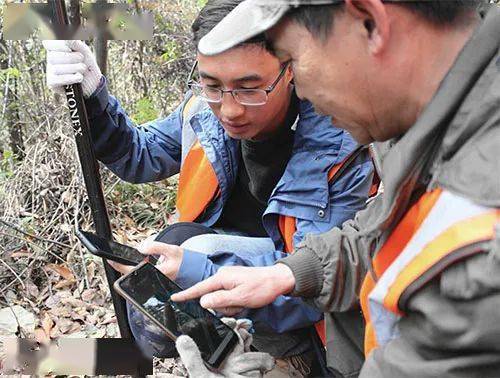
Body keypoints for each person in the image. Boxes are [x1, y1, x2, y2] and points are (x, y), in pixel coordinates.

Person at [43, 0, 374, 374]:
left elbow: (320, 276)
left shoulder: (340, 141)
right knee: (159, 278)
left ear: (292, 67)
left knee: (195, 248)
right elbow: (140, 154)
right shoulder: (204, 111)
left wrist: (197, 270)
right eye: (212, 85)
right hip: (225, 307)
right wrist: (92, 97)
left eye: (250, 88)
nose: (229, 110)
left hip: (302, 319)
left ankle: (292, 361)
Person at [172, 0, 500, 377]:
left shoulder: (480, 251)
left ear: (369, 22)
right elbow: (382, 231)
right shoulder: (449, 122)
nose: (302, 93)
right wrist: (287, 274)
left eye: (292, 58)